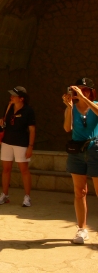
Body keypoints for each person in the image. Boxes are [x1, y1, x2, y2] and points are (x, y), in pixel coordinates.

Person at [62, 77, 98, 244]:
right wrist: (69, 108)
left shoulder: (95, 105)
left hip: (95, 149)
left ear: (91, 92)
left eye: (84, 90)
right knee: (80, 191)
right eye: (78, 89)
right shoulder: (72, 108)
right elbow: (67, 128)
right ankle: (82, 229)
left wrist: (84, 99)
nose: (80, 92)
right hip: (77, 151)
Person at [0, 86, 36, 207]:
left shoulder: (28, 111)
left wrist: (30, 147)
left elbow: (32, 130)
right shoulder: (8, 107)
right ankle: (5, 195)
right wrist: (0, 121)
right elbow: (5, 122)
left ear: (21, 98)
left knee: (24, 170)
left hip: (21, 143)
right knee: (6, 169)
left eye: (14, 95)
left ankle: (27, 197)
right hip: (7, 142)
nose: (11, 97)